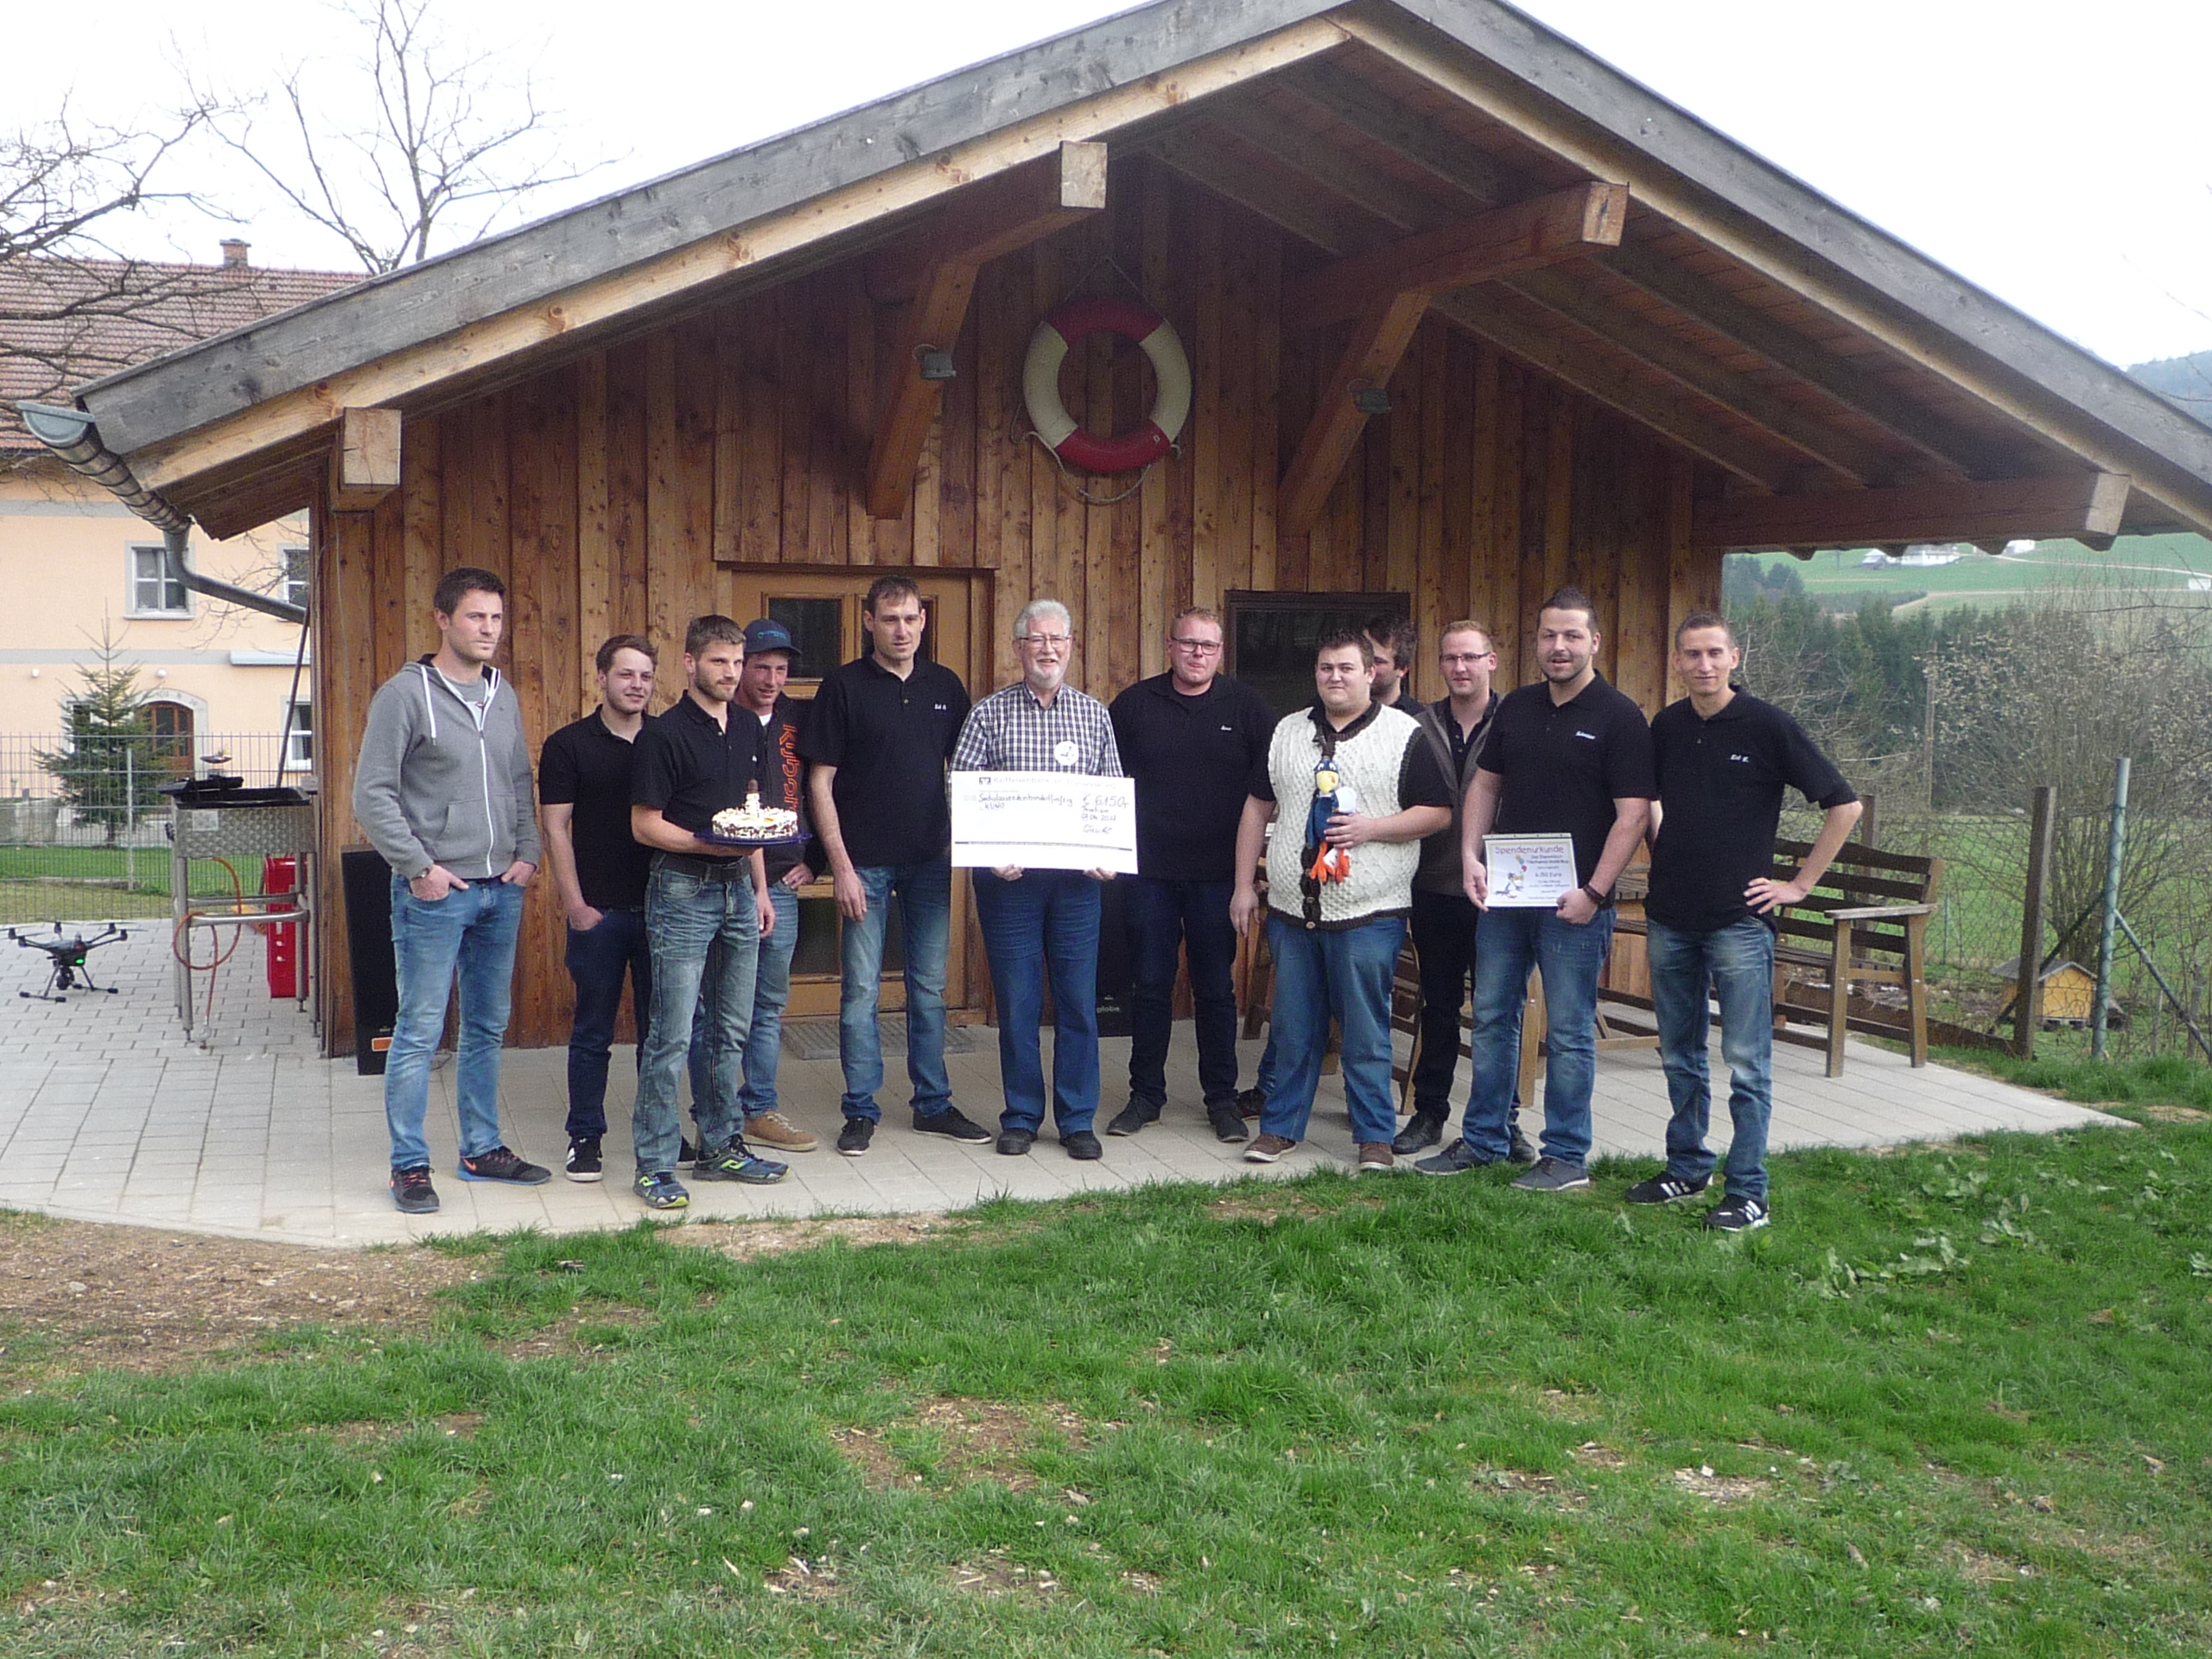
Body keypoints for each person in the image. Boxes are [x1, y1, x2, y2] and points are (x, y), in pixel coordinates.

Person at [1627, 612, 1862, 1231]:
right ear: (1677, 663)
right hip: (1671, 916)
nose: (1703, 664)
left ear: (1735, 658)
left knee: (1746, 1063)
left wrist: (1799, 885)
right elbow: (1649, 803)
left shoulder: (1768, 726)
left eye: (1714, 653)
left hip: (1740, 921)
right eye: (1691, 654)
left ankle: (1749, 1191)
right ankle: (1687, 1167)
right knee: (1680, 1054)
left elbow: (1844, 805)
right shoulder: (1667, 726)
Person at [1418, 587, 1654, 1191]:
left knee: (1569, 1033)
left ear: (1594, 642)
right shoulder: (1518, 707)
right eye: (1549, 635)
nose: (1559, 646)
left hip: (1576, 904)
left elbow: (1632, 815)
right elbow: (1485, 786)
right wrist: (1470, 856)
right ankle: (1486, 1141)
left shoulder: (1620, 716)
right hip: (1508, 896)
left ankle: (1566, 1156)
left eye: (1572, 635)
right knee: (1492, 1017)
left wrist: (1595, 891)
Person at [353, 566, 549, 1214]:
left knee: (487, 1026)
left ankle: (481, 1149)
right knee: (419, 1030)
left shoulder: (502, 693)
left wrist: (528, 852)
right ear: (442, 619)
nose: (489, 629)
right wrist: (418, 866)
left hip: (501, 890)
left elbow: (518, 779)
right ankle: (409, 1166)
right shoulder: (404, 696)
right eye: (475, 616)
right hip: (435, 894)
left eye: (496, 617)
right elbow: (372, 794)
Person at [1230, 629, 1452, 1173]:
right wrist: (1242, 885)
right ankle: (1280, 1129)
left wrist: (1371, 828)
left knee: (1365, 1031)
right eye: (1326, 667)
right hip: (1292, 909)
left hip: (1368, 910)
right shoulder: (1287, 731)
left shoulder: (1405, 734)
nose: (1335, 677)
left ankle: (1374, 1135)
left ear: (1371, 673)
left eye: (1346, 668)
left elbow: (1438, 812)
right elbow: (1257, 808)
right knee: (1293, 1028)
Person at [800, 575, 985, 1156]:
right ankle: (860, 1110)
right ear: (869, 622)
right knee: (860, 993)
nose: (901, 630)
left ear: (923, 621)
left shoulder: (945, 686)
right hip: (865, 866)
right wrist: (841, 867)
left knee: (929, 989)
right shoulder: (843, 686)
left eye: (910, 618)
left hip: (929, 862)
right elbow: (819, 782)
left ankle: (932, 1105)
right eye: (889, 619)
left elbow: (972, 770)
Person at [626, 615, 788, 1211]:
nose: (732, 673)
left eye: (738, 662)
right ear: (691, 663)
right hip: (682, 888)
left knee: (730, 1029)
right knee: (671, 1035)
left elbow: (753, 815)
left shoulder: (747, 725)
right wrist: (706, 845)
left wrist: (760, 889)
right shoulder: (663, 734)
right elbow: (644, 825)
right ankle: (654, 1164)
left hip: (739, 889)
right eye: (720, 661)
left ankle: (721, 1147)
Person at [953, 599, 1125, 1160]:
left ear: (1071, 646)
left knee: (1077, 1003)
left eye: (1058, 640)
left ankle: (1076, 1120)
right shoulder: (988, 715)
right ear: (1018, 648)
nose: (1048, 649)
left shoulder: (1094, 716)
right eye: (1037, 640)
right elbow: (960, 792)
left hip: (1076, 885)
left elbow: (1109, 794)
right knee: (1018, 1003)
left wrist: (1107, 852)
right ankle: (1022, 1117)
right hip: (1010, 884)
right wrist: (988, 852)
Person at [1106, 607, 1275, 1144]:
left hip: (1218, 877)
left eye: (1208, 646)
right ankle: (1145, 1097)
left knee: (1216, 989)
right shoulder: (1134, 705)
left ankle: (1221, 1100)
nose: (1197, 654)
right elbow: (1105, 783)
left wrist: (1248, 880)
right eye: (1188, 644)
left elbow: (1268, 794)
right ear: (1170, 646)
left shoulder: (1248, 708)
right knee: (1150, 986)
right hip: (1147, 875)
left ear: (1220, 652)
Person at [1397, 620, 1535, 1164]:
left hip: (1500, 890)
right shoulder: (1417, 725)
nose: (1460, 667)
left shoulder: (1518, 720)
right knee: (1438, 1003)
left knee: (1501, 1010)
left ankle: (1504, 1120)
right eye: (1450, 658)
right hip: (1433, 884)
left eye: (1471, 657)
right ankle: (1429, 1112)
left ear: (1491, 661)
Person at [539, 633, 659, 1184]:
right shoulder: (568, 745)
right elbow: (555, 828)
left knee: (661, 1033)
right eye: (626, 674)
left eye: (646, 676)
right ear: (601, 678)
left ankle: (658, 1129)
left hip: (663, 912)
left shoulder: (665, 739)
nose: (637, 685)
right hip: (600, 914)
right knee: (593, 1032)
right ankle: (585, 1137)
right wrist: (576, 906)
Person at [711, 616, 822, 1154]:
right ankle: (716, 1111)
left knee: (769, 1003)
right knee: (719, 1001)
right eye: (761, 667)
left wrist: (815, 861)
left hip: (781, 881)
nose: (772, 679)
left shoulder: (801, 720)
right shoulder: (721, 719)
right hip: (720, 878)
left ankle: (758, 1107)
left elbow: (826, 787)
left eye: (781, 669)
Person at [1364, 611, 1423, 715]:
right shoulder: (1337, 713)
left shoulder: (1418, 719)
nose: (1366, 665)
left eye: (1378, 661)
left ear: (1402, 669)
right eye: (1362, 656)